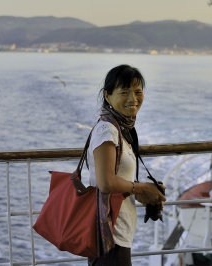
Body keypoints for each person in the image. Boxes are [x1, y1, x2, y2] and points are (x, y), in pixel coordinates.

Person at [87, 64, 166, 265]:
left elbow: (118, 178)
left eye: (138, 92)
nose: (133, 99)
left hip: (118, 231)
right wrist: (141, 187)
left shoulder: (121, 129)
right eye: (124, 92)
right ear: (107, 95)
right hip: (109, 234)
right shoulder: (107, 130)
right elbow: (105, 183)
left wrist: (142, 192)